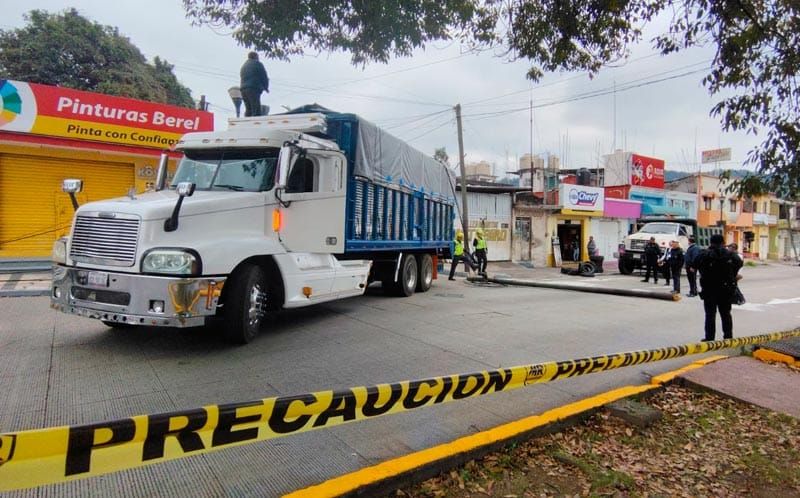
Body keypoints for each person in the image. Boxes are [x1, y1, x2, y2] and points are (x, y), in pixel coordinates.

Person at [697, 234, 743, 341]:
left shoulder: (705, 254)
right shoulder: (730, 254)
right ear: (723, 242)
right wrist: (731, 274)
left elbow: (694, 264)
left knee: (710, 315)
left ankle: (709, 338)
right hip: (726, 289)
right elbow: (739, 263)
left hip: (709, 289)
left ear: (711, 242)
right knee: (726, 314)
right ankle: (728, 337)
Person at [240, 52, 270, 117]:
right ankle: (256, 125)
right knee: (256, 110)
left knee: (248, 109)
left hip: (243, 90)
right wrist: (266, 87)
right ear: (256, 57)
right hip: (253, 88)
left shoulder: (244, 66)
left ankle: (247, 124)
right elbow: (263, 76)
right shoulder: (257, 64)